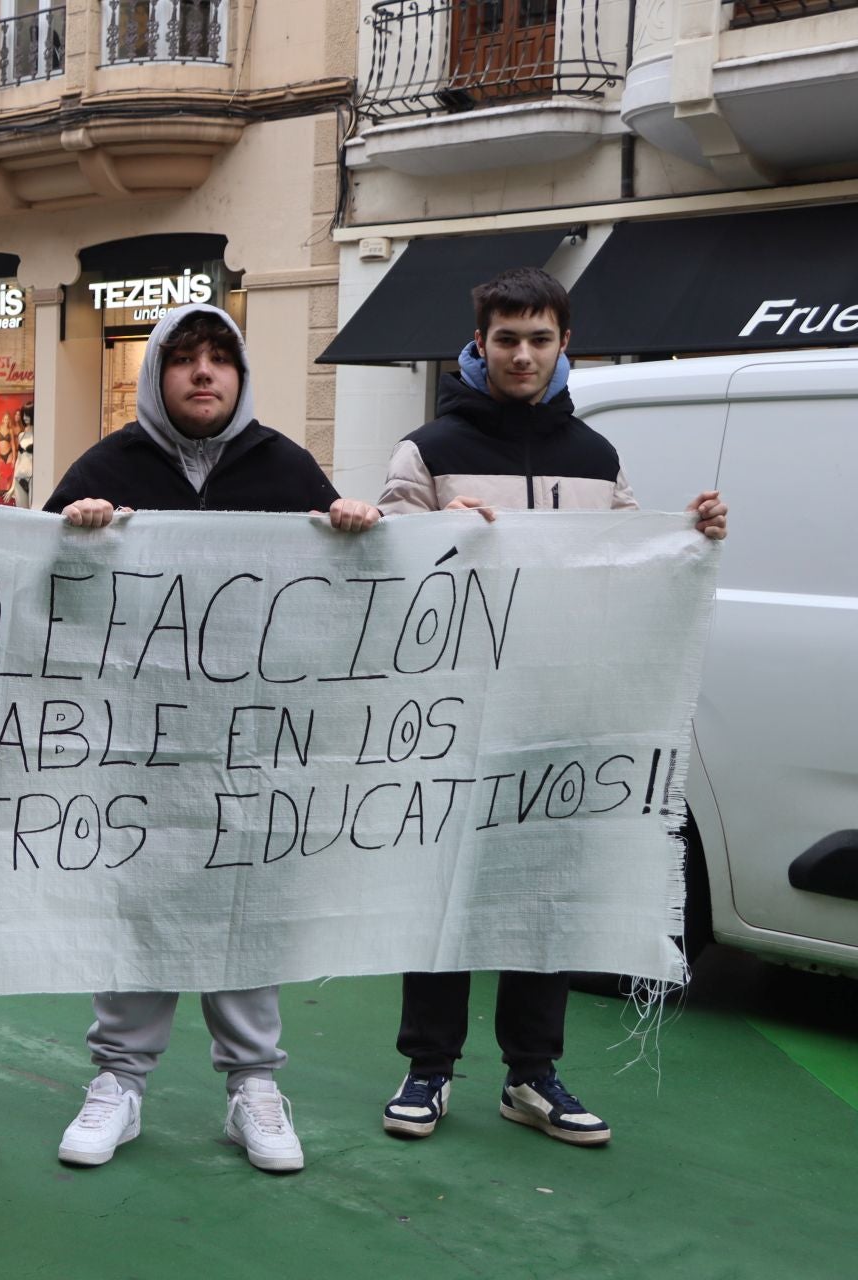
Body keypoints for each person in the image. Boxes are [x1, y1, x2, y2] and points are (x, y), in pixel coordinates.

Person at [374, 266, 728, 1149]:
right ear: (479, 344)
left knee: (545, 893)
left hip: (562, 711)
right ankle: (428, 1066)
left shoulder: (597, 458)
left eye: (539, 338)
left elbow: (633, 562)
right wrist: (432, 531)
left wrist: (694, 533)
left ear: (565, 343)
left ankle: (531, 1075)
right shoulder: (425, 450)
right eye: (507, 338)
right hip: (457, 711)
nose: (523, 354)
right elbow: (379, 562)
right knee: (446, 889)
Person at [43, 304, 383, 1176]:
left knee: (244, 909)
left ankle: (253, 1089)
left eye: (219, 359)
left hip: (253, 748)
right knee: (141, 909)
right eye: (184, 358)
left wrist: (353, 532)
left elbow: (349, 602)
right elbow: (34, 588)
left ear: (240, 376)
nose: (203, 372)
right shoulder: (108, 465)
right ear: (157, 373)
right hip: (136, 745)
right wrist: (68, 531)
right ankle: (118, 1083)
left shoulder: (286, 466)